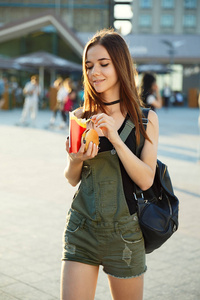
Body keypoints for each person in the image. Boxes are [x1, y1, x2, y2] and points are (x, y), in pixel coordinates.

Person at [61, 29, 159, 300]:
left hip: (125, 236)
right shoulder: (81, 117)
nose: (95, 72)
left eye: (104, 64)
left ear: (120, 64)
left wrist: (116, 139)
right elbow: (71, 178)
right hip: (82, 229)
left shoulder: (145, 120)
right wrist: (75, 159)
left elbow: (146, 180)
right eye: (89, 66)